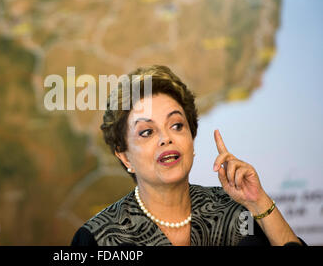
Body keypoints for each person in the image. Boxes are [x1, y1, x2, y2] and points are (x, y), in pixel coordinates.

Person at [71, 65, 305, 246]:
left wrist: (258, 201)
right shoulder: (98, 237)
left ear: (191, 140)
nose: (166, 138)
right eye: (147, 132)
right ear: (125, 157)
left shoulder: (235, 212)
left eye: (176, 125)